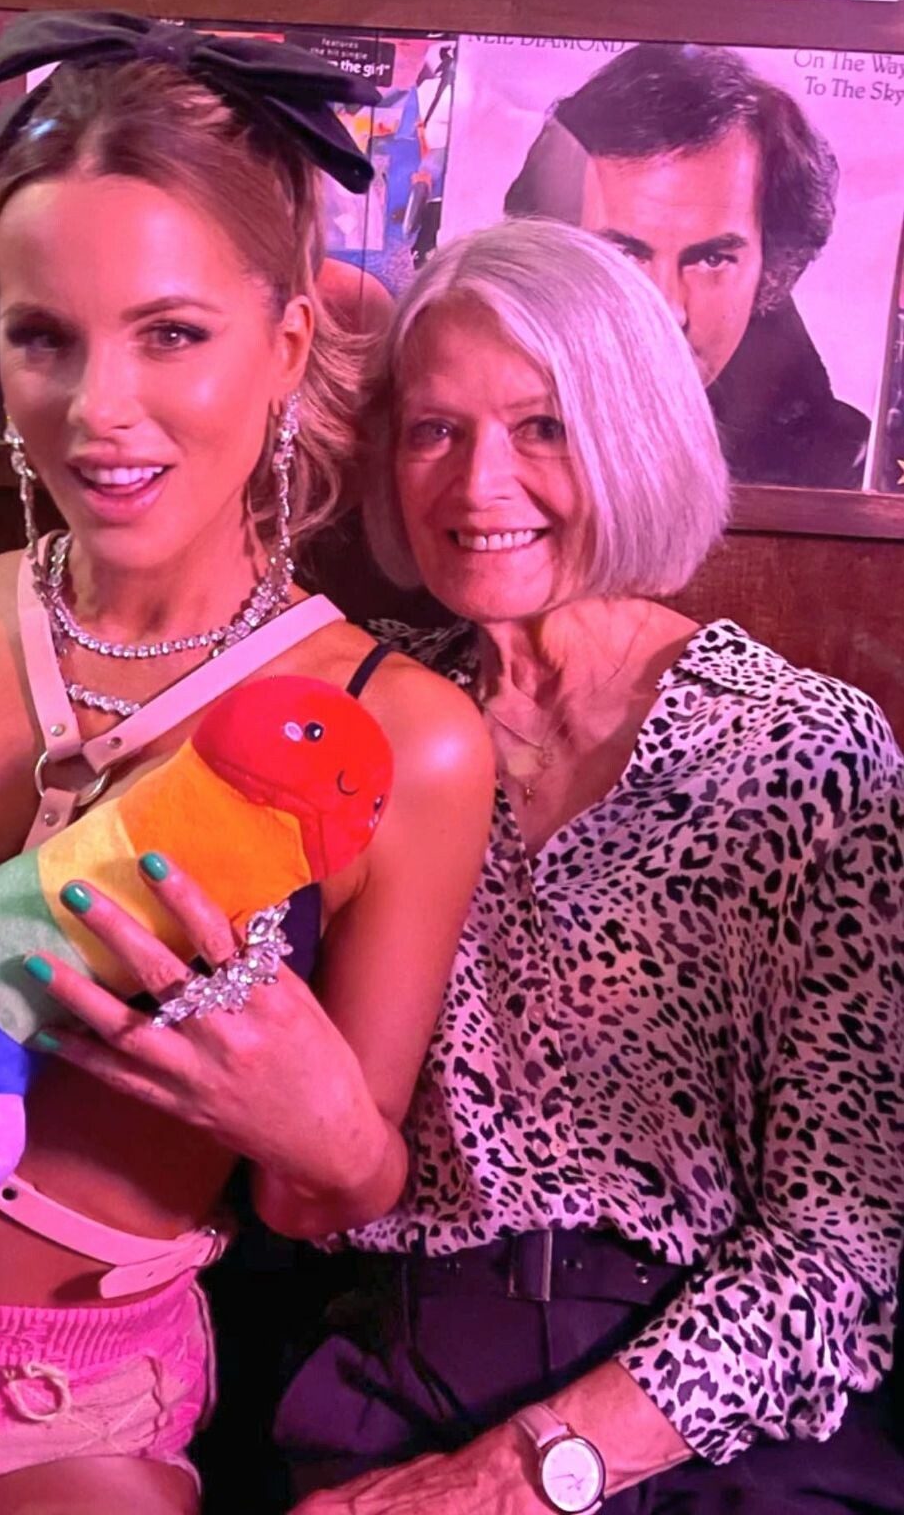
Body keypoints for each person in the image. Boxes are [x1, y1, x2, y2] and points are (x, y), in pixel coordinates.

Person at [0, 13, 494, 1511]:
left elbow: (329, 1197)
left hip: (46, 1426)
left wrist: (335, 1138)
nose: (97, 410)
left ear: (288, 345)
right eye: (43, 338)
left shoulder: (400, 737)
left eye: (171, 334)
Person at [264, 221, 904, 1514]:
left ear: (635, 434)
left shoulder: (800, 755)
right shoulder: (357, 715)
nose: (477, 484)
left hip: (714, 1429)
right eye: (433, 431)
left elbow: (847, 1251)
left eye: (543, 426)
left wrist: (517, 1474)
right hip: (395, 1373)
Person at [505, 41, 870, 489]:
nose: (668, 310)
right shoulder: (483, 430)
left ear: (771, 269)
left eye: (712, 259)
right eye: (625, 255)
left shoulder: (845, 475)